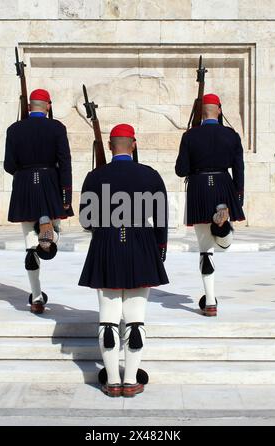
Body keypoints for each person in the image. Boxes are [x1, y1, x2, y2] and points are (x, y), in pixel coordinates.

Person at [79, 124, 168, 397]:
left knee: (108, 320)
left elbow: (86, 220)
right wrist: (159, 249)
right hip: (141, 243)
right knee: (135, 320)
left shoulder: (95, 177)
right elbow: (161, 219)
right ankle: (130, 381)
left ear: (109, 146)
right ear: (134, 144)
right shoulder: (150, 176)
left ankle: (112, 381)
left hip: (106, 242)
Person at [4, 89, 73, 314]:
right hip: (50, 182)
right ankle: (49, 229)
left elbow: (9, 165)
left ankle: (36, 297)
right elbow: (65, 162)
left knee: (29, 239)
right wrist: (66, 194)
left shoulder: (14, 129)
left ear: (29, 106)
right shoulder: (57, 128)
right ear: (48, 106)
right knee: (56, 225)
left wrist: (25, 173)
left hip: (24, 183)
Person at [175, 93, 245, 317]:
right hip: (223, 184)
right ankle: (223, 229)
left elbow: (181, 170)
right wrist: (238, 196)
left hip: (199, 187)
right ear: (219, 110)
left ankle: (211, 301)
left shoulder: (191, 136)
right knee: (223, 245)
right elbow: (239, 169)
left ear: (200, 113)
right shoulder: (231, 135)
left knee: (206, 250)